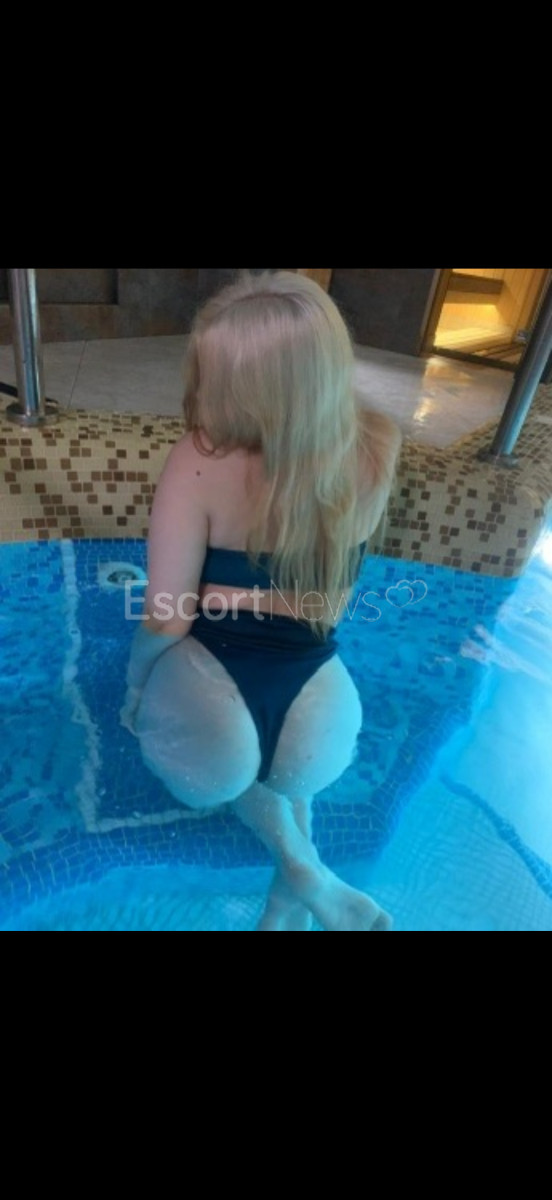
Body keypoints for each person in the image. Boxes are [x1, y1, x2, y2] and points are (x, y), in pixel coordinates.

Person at [120, 271, 401, 931]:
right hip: (323, 712)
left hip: (210, 708)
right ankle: (292, 888)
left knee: (221, 757)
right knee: (290, 770)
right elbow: (328, 609)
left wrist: (134, 689)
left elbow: (165, 617)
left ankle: (303, 869)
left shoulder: (199, 460)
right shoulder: (376, 448)